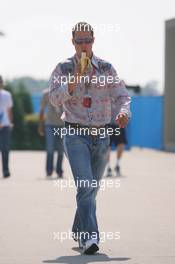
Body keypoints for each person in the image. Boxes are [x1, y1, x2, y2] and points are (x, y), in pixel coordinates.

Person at [49, 22, 131, 254]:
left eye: (87, 40)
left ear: (93, 40)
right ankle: (90, 238)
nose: (83, 45)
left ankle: (79, 227)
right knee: (85, 186)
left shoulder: (106, 68)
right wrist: (74, 79)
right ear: (72, 42)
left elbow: (122, 96)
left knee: (91, 189)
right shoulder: (63, 68)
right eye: (79, 41)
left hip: (102, 134)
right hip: (75, 133)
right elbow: (55, 100)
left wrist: (124, 112)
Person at [38, 88, 64, 178]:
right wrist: (40, 125)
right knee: (50, 148)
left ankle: (59, 170)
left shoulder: (65, 91)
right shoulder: (46, 94)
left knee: (61, 149)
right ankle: (49, 171)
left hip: (62, 125)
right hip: (50, 125)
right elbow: (41, 110)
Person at [106, 98, 128, 177]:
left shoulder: (122, 97)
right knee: (107, 146)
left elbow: (126, 109)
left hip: (119, 125)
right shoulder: (105, 93)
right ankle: (108, 167)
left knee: (121, 144)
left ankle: (117, 165)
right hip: (108, 125)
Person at [0, 76, 13, 178]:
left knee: (5, 149)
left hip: (5, 124)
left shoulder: (7, 94)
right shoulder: (7, 94)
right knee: (5, 148)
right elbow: (9, 110)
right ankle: (5, 170)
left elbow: (9, 110)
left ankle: (5, 170)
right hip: (5, 125)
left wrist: (10, 122)